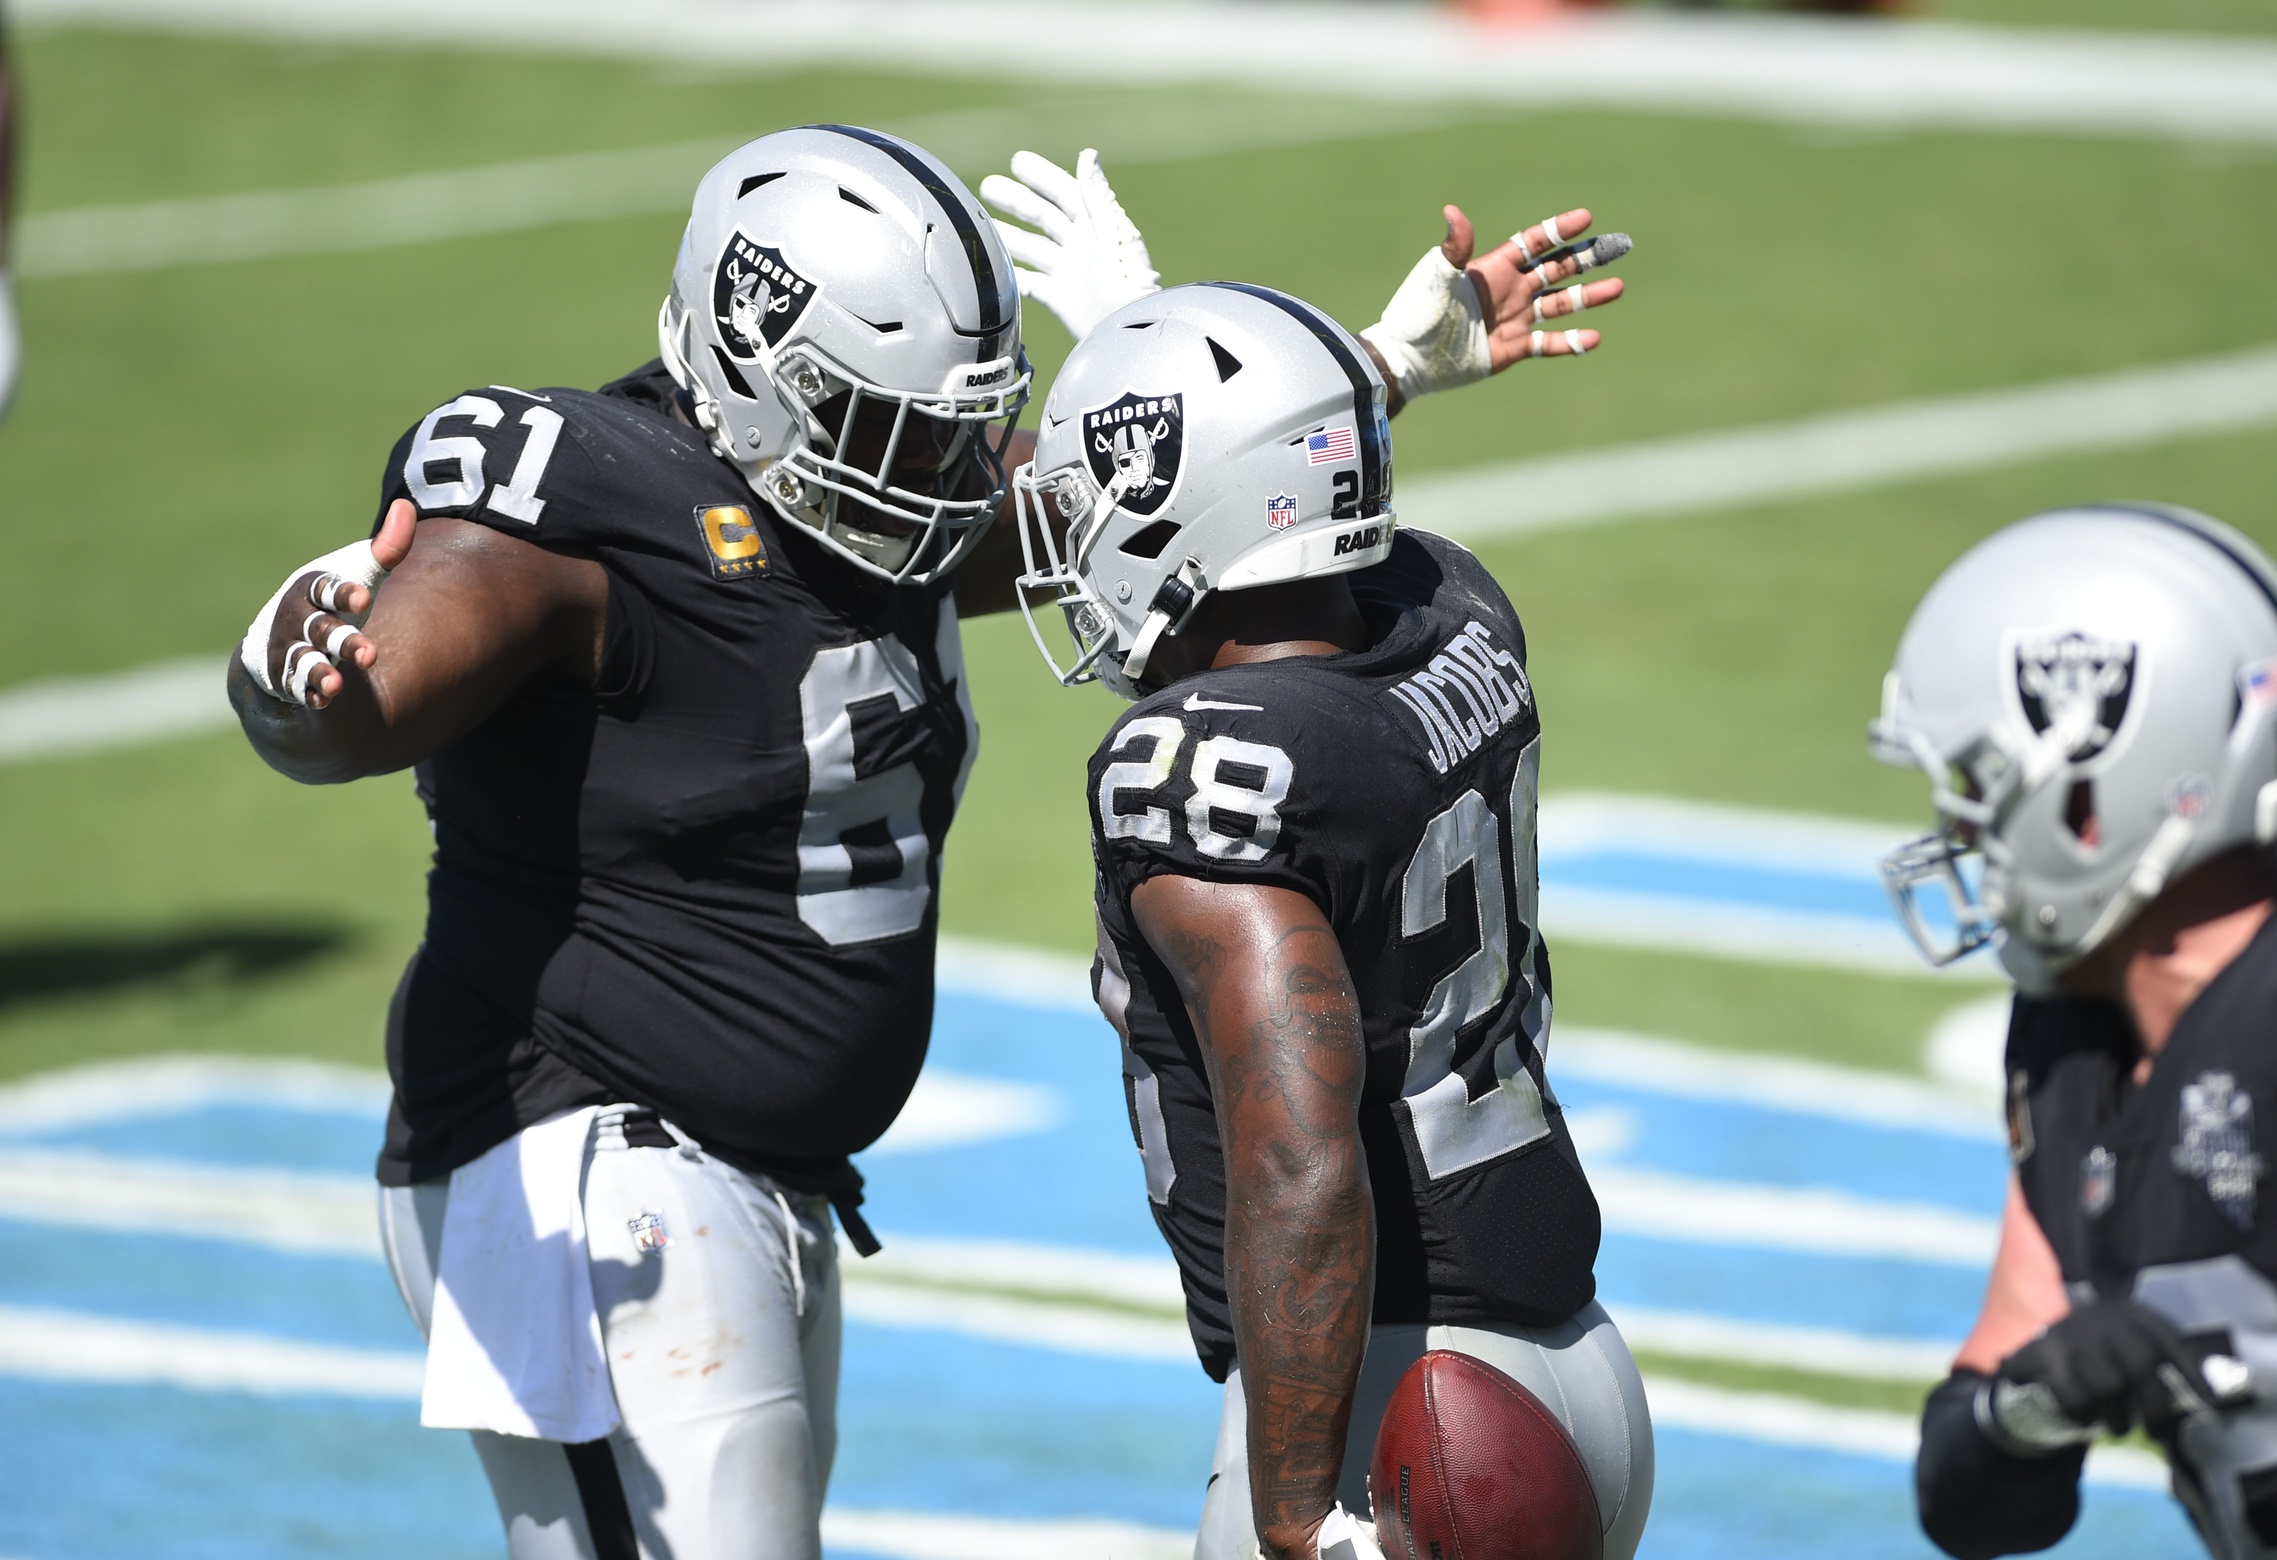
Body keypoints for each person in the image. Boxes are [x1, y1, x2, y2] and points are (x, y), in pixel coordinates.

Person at [230, 123, 1631, 1560]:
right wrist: (300, 685)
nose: (949, 474)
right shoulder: (581, 502)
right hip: (580, 1147)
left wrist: (1362, 375)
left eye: (958, 428)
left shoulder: (868, 491)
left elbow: (1150, 510)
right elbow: (367, 690)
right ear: (761, 373)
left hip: (750, 1169)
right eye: (900, 429)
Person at [1011, 281, 1653, 1560]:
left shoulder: (1207, 769)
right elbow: (1292, 513)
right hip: (1570, 1376)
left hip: (1403, 1414)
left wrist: (1300, 1516)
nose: (1078, 539)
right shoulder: (1451, 606)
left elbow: (1298, 1159)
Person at [1875, 505, 2277, 1559]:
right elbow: (1969, 1500)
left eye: (1980, 789)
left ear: (2093, 797)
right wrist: (2031, 1407)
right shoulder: (2070, 1040)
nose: (1961, 831)